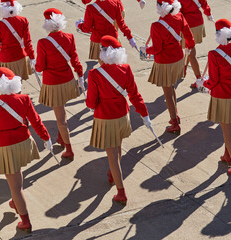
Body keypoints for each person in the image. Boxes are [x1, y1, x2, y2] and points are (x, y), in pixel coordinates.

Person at [0, 67, 51, 233]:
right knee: (17, 178)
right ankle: (15, 202)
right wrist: (46, 137)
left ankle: (25, 221)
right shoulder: (25, 99)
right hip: (24, 142)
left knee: (16, 187)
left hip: (6, 147)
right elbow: (36, 121)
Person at [86, 35, 151, 205]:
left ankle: (121, 192)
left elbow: (91, 102)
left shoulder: (94, 74)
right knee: (118, 148)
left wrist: (88, 102)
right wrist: (144, 114)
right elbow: (135, 95)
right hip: (122, 115)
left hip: (105, 118)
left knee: (112, 156)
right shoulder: (126, 69)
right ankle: (113, 174)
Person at [197, 19, 231, 179]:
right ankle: (227, 156)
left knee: (228, 133)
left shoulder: (214, 54)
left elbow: (213, 81)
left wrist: (203, 83)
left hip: (222, 97)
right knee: (229, 128)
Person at [36, 8, 84, 161]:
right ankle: (61, 138)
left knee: (61, 119)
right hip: (68, 80)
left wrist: (34, 66)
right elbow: (75, 60)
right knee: (62, 112)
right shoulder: (69, 37)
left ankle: (69, 149)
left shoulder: (43, 43)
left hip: (53, 83)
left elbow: (40, 67)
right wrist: (80, 76)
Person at [140, 0, 195, 135]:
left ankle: (174, 123)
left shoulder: (156, 26)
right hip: (178, 58)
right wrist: (190, 46)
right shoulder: (179, 16)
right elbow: (188, 35)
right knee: (171, 87)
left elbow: (157, 49)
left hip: (165, 61)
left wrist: (146, 51)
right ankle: (175, 115)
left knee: (167, 92)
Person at [0, 0, 35, 81]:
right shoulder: (23, 20)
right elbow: (27, 42)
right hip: (21, 57)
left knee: (9, 86)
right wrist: (32, 57)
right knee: (19, 84)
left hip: (7, 59)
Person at [178, 0, 214, 88]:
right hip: (198, 22)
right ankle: (183, 69)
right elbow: (204, 4)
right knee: (189, 49)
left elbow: (177, 10)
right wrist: (208, 14)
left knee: (191, 53)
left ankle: (199, 80)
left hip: (187, 25)